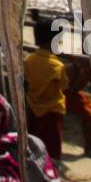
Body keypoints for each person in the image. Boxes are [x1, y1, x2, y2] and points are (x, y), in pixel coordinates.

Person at [24, 18, 68, 162]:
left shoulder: (28, 60)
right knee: (52, 147)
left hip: (33, 108)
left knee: (35, 143)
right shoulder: (57, 66)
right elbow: (63, 86)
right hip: (52, 111)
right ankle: (52, 173)